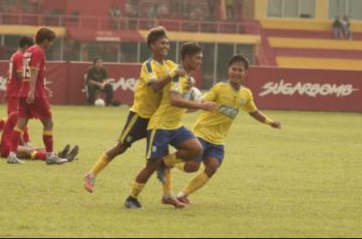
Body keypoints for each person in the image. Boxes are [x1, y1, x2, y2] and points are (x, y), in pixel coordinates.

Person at [83, 26, 189, 207]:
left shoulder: (171, 64)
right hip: (141, 115)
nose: (166, 46)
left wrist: (189, 81)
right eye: (162, 43)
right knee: (121, 146)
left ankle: (168, 195)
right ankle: (91, 174)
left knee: (162, 156)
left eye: (167, 43)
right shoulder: (148, 65)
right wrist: (173, 75)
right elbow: (155, 86)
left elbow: (181, 77)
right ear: (152, 45)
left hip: (158, 119)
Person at [163, 54, 281, 205]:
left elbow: (253, 112)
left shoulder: (246, 94)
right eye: (234, 69)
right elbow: (202, 101)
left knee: (212, 166)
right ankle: (167, 161)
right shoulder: (219, 88)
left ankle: (182, 195)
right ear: (228, 70)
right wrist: (191, 99)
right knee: (192, 167)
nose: (236, 73)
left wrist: (270, 122)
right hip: (202, 133)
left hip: (218, 139)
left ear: (245, 73)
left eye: (240, 70)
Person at [123, 42, 216, 209]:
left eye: (201, 58)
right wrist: (200, 106)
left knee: (196, 149)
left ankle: (164, 163)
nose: (200, 61)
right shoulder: (178, 75)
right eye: (197, 58)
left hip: (175, 126)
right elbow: (174, 100)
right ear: (186, 58)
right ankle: (132, 198)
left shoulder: (186, 76)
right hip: (160, 126)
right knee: (150, 166)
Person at [5, 27, 68, 165]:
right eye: (50, 42)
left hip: (23, 90)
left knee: (21, 123)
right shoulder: (39, 51)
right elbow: (33, 71)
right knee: (48, 122)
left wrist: (42, 87)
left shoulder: (28, 51)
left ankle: (12, 154)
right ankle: (50, 155)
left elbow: (29, 74)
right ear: (45, 40)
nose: (50, 44)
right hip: (34, 93)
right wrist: (33, 91)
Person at [0, 35, 34, 149]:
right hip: (16, 93)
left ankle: (25, 142)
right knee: (18, 118)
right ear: (26, 46)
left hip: (14, 91)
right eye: (31, 47)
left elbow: (9, 74)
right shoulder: (20, 56)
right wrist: (33, 80)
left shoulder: (14, 55)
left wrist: (7, 91)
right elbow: (20, 74)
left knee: (19, 117)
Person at [0, 111, 79, 163]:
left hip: (10, 147)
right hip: (7, 147)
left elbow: (22, 137)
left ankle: (62, 156)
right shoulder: (16, 115)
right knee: (30, 151)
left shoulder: (21, 117)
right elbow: (19, 136)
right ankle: (60, 157)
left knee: (35, 151)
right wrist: (26, 147)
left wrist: (32, 147)